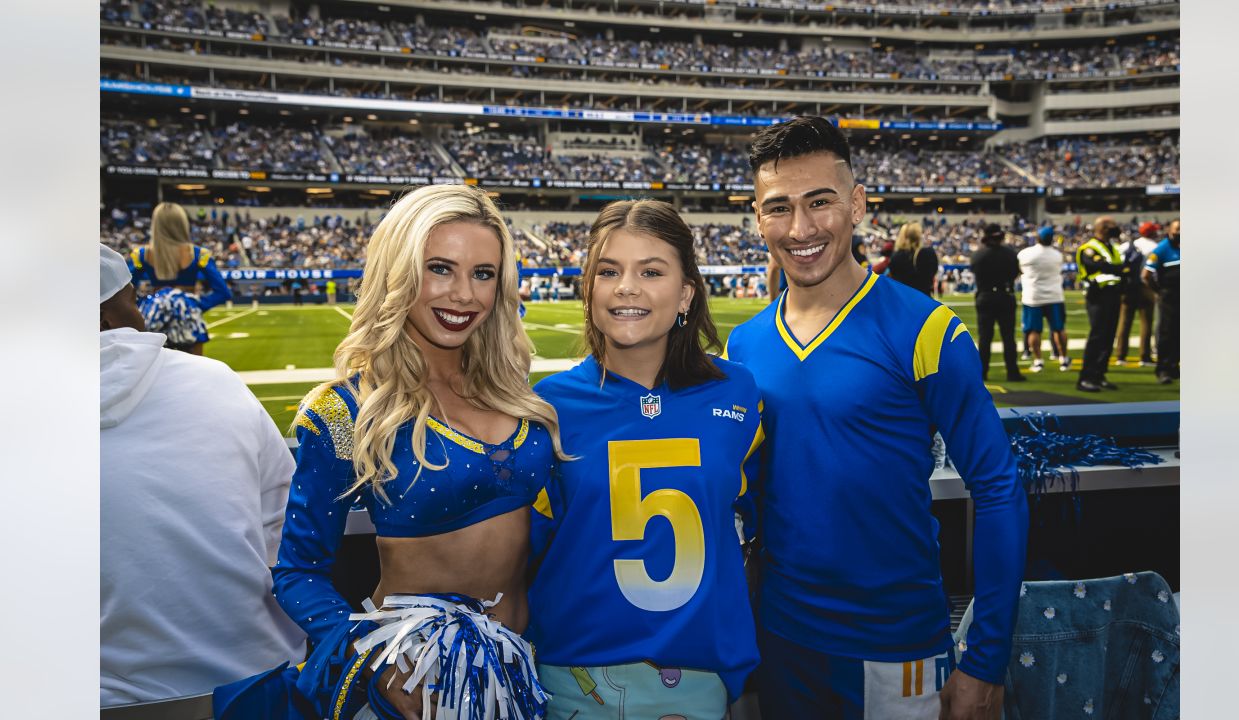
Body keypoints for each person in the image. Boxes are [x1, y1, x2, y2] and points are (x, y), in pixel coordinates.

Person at [727, 117, 1026, 720]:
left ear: (858, 204)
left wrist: (986, 658)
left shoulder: (926, 329)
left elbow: (997, 489)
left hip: (897, 644)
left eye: (821, 203)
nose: (802, 228)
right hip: (782, 641)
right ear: (758, 218)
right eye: (779, 208)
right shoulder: (744, 345)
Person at [268, 185, 569, 719]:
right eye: (439, 268)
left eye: (483, 274)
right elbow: (298, 572)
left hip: (528, 676)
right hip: (419, 692)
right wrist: (377, 667)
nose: (464, 295)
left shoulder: (516, 390)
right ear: (399, 272)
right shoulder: (346, 411)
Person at [528, 200, 763, 720]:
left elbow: (760, 528)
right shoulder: (549, 406)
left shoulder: (740, 394)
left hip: (698, 679)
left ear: (685, 294)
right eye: (608, 271)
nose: (626, 287)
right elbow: (524, 550)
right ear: (588, 288)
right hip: (573, 679)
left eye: (650, 272)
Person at [99, 244, 306, 706]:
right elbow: (288, 530)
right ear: (107, 318)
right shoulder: (215, 381)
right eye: (134, 300)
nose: (146, 311)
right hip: (256, 682)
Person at [127, 202, 232, 355]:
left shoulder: (142, 254)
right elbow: (223, 292)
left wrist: (148, 304)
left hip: (155, 320)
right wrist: (193, 304)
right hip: (188, 319)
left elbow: (123, 291)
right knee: (193, 373)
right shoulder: (199, 254)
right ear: (182, 224)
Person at [1075, 215, 1128, 392]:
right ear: (1103, 228)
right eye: (1113, 225)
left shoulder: (1112, 247)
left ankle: (1099, 374)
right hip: (1097, 295)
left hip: (1113, 294)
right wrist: (1119, 269)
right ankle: (1086, 377)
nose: (1116, 228)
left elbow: (1121, 267)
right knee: (1097, 336)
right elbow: (1106, 267)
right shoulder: (1089, 248)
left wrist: (1119, 269)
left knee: (1108, 336)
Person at [970, 223, 1026, 383]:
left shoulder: (978, 255)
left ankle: (983, 372)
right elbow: (1015, 273)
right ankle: (1012, 372)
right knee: (1008, 337)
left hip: (985, 296)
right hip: (1005, 295)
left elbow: (975, 271)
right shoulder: (1010, 253)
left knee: (985, 337)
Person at [1018, 226, 1071, 372]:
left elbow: (1019, 269)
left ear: (1038, 238)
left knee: (1034, 330)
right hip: (1054, 296)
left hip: (1033, 297)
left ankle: (1038, 360)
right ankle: (1063, 359)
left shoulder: (1026, 254)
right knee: (1059, 329)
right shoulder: (1057, 255)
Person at [1113, 221, 1160, 367]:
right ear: (1152, 233)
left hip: (1128, 287)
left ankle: (1121, 356)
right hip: (1145, 286)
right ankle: (1144, 357)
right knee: (1146, 323)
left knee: (1124, 322)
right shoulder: (1155, 247)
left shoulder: (1127, 245)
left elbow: (1118, 264)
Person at [1144, 219, 1180, 384]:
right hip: (1169, 297)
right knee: (1166, 333)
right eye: (1177, 229)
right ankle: (1163, 369)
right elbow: (1146, 275)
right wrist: (1159, 291)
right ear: (1169, 230)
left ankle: (1174, 367)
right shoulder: (1162, 249)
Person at [886, 221, 940, 297]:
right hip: (924, 302)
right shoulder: (929, 253)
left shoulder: (896, 256)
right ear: (919, 236)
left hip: (903, 301)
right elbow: (933, 273)